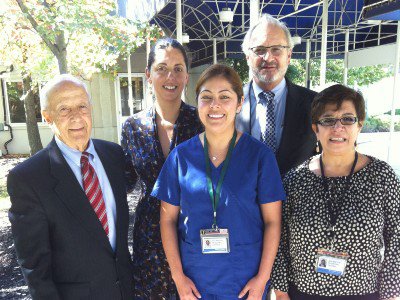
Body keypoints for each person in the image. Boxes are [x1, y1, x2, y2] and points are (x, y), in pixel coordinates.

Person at [152, 64, 285, 299]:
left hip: (245, 282)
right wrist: (178, 278)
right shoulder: (181, 157)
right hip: (194, 284)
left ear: (239, 103)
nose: (215, 105)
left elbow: (273, 222)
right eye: (206, 97)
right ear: (197, 103)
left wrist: (262, 279)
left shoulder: (260, 156)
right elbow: (168, 220)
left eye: (225, 97)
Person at [7, 74, 133, 300]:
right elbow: (35, 268)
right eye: (64, 109)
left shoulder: (113, 155)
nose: (76, 117)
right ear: (47, 117)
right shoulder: (28, 178)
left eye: (82, 106)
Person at [271, 84, 400, 300]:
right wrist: (281, 291)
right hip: (303, 293)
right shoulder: (295, 180)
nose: (337, 128)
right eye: (328, 120)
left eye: (347, 119)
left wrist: (389, 294)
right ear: (315, 128)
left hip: (363, 293)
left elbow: (396, 237)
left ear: (359, 125)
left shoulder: (381, 176)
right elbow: (280, 242)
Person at [121, 37, 203, 298]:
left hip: (193, 229)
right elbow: (123, 182)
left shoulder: (202, 123)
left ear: (187, 77)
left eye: (178, 68)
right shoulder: (132, 127)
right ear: (148, 75)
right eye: (162, 68)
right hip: (149, 231)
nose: (171, 76)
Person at [236, 14, 317, 176]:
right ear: (247, 57)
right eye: (259, 50)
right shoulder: (229, 103)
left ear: (289, 55)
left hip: (297, 199)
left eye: (276, 49)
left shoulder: (315, 103)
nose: (268, 57)